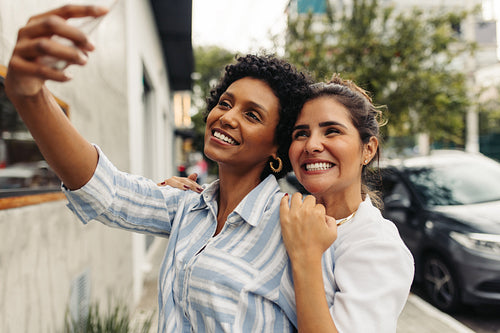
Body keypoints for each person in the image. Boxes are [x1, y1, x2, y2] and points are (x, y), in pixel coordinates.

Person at [4, 5, 313, 332]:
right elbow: (105, 190)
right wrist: (29, 95)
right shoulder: (189, 206)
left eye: (252, 115)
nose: (228, 117)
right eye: (225, 102)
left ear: (277, 145)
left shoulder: (295, 228)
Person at [167, 75, 414, 333]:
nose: (312, 145)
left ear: (368, 149)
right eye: (301, 134)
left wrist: (306, 255)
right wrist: (199, 195)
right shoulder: (288, 213)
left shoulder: (377, 246)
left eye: (332, 131)